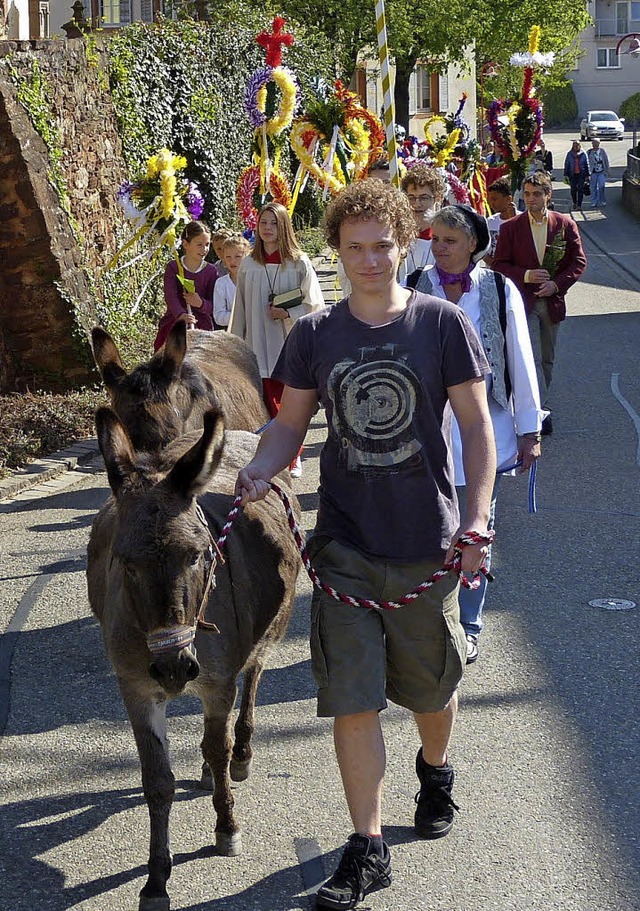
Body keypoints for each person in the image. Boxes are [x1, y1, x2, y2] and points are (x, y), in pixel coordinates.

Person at [235, 179, 496, 910]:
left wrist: (477, 518)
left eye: (383, 245)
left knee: (430, 691)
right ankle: (368, 844)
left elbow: (476, 429)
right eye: (355, 248)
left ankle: (436, 768)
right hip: (344, 544)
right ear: (337, 253)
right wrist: (260, 465)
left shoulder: (442, 325)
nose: (371, 259)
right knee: (352, 699)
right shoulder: (316, 336)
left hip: (426, 544)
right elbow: (288, 425)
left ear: (403, 242)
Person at [408, 204, 544, 662]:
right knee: (426, 528)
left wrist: (530, 429)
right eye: (435, 239)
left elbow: (521, 363)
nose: (440, 248)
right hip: (424, 433)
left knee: (475, 529)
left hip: (485, 432)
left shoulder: (501, 291)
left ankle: (467, 625)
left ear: (473, 243)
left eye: (450, 240)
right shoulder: (412, 287)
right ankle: (426, 617)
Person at [229, 202, 325, 477]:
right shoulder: (249, 264)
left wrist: (287, 312)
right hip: (258, 344)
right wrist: (236, 346)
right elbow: (241, 309)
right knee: (266, 404)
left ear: (283, 226)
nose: (267, 228)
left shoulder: (299, 263)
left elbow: (314, 306)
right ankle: (270, 456)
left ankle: (294, 457)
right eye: (263, 223)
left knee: (291, 405)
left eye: (273, 223)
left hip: (289, 343)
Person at [493, 172, 587, 434]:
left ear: (548, 195)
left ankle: (539, 401)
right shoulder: (510, 228)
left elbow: (577, 262)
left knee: (546, 358)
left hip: (551, 303)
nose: (530, 199)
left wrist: (556, 284)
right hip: (523, 302)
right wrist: (526, 275)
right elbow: (499, 265)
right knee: (530, 356)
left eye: (536, 194)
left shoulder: (565, 225)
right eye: (526, 194)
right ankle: (538, 411)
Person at [153, 221, 218, 352]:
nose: (204, 249)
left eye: (207, 245)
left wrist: (200, 303)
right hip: (175, 321)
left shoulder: (211, 271)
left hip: (201, 325)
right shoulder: (174, 267)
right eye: (199, 245)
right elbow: (170, 295)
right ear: (185, 244)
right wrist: (181, 314)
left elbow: (214, 304)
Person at [399, 163, 446, 284]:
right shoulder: (399, 236)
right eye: (411, 198)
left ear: (438, 198)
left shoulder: (446, 237)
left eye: (424, 198)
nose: (417, 204)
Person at [212, 234, 251, 329]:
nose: (232, 261)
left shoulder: (255, 280)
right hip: (234, 333)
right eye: (228, 257)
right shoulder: (221, 283)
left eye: (237, 256)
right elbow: (219, 316)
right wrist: (242, 316)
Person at [485, 176, 518, 265]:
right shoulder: (490, 222)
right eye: (489, 199)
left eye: (495, 199)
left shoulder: (523, 219)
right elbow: (484, 249)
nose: (491, 203)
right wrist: (493, 264)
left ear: (508, 199)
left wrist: (514, 219)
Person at [563, 140, 590, 210]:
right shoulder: (569, 154)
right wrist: (565, 174)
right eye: (574, 145)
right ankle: (574, 202)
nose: (576, 147)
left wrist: (588, 175)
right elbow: (567, 164)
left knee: (581, 190)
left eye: (577, 145)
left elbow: (587, 164)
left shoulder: (583, 153)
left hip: (581, 174)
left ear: (579, 146)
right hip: (572, 174)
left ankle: (579, 205)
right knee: (573, 190)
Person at [587, 138, 610, 208]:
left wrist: (608, 170)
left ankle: (602, 200)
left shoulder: (602, 151)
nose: (595, 145)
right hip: (593, 172)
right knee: (593, 188)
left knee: (601, 186)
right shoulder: (589, 152)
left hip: (601, 172)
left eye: (597, 143)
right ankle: (594, 201)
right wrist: (587, 173)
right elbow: (587, 162)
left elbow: (606, 160)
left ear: (599, 144)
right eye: (594, 143)